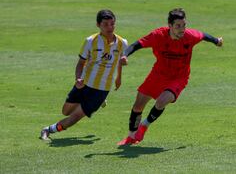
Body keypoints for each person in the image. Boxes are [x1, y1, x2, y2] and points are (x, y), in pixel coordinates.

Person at [117, 8, 223, 145]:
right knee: (138, 106)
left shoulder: (190, 36)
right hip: (158, 74)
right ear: (170, 26)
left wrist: (217, 41)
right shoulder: (158, 35)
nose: (182, 29)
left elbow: (204, 36)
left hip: (179, 77)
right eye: (178, 26)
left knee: (162, 101)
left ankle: (144, 125)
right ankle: (131, 137)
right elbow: (137, 45)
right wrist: (125, 55)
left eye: (184, 25)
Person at [40, 9, 128, 140]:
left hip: (103, 88)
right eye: (106, 24)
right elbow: (81, 63)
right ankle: (98, 101)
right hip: (85, 83)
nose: (110, 27)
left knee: (75, 116)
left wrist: (119, 78)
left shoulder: (122, 43)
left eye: (112, 24)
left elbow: (120, 61)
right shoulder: (90, 41)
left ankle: (48, 130)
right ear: (98, 25)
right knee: (66, 111)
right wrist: (78, 79)